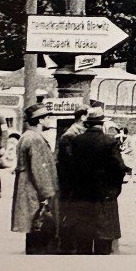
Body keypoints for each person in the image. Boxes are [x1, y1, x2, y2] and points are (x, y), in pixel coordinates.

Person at [56, 107, 127, 255]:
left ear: (88, 123)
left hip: (82, 196)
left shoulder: (76, 141)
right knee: (103, 242)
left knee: (83, 240)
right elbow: (120, 168)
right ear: (102, 123)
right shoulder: (109, 142)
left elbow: (70, 168)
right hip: (104, 197)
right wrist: (113, 190)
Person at [10, 104, 59, 255]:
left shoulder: (27, 136)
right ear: (40, 121)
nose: (49, 120)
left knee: (32, 232)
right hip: (34, 191)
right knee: (39, 229)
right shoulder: (35, 139)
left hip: (27, 187)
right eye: (46, 118)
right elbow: (40, 169)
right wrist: (48, 195)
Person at [56, 105, 89, 254]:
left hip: (75, 181)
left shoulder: (78, 132)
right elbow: (69, 161)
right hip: (70, 182)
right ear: (82, 117)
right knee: (70, 212)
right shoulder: (70, 135)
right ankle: (67, 245)